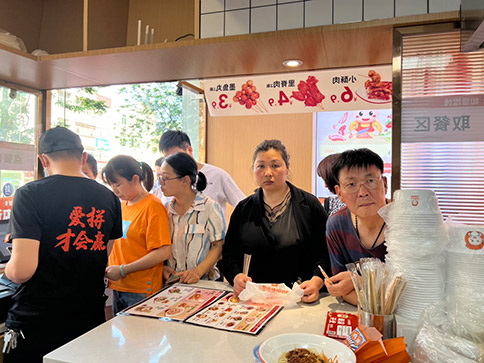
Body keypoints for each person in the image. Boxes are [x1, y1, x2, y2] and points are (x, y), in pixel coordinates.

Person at [4, 127, 123, 362]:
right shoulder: (109, 197)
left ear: (43, 160)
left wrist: (8, 269)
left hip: (39, 321)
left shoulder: (29, 194)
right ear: (84, 157)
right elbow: (102, 254)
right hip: (87, 319)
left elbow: (21, 271)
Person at [220, 139, 331, 303]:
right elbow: (229, 254)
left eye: (275, 165)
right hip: (255, 299)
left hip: (298, 298)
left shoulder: (309, 205)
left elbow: (324, 253)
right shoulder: (243, 208)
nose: (267, 172)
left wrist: (316, 281)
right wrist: (236, 276)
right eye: (261, 166)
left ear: (287, 167)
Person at [102, 155, 172, 314]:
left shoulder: (152, 206)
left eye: (118, 184)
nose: (115, 190)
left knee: (142, 337)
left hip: (141, 289)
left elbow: (163, 251)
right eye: (111, 185)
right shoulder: (122, 206)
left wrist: (123, 270)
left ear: (134, 179)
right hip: (119, 285)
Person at [324, 148, 388, 305]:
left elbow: (413, 292)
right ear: (339, 193)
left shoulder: (406, 223)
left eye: (370, 181)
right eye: (351, 184)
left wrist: (360, 282)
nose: (363, 192)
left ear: (384, 184)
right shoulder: (336, 224)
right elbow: (341, 289)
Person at [160, 152, 226, 284]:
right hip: (173, 284)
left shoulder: (209, 208)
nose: (161, 183)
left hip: (205, 283)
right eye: (160, 177)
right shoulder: (166, 209)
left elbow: (218, 246)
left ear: (185, 180)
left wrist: (196, 273)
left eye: (165, 178)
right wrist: (163, 268)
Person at [159, 130, 245, 215]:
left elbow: (244, 206)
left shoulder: (217, 175)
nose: (173, 162)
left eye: (177, 155)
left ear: (189, 150)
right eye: (168, 158)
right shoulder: (168, 181)